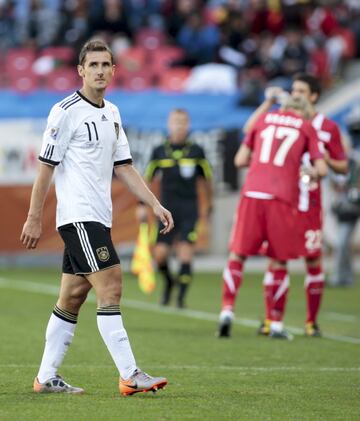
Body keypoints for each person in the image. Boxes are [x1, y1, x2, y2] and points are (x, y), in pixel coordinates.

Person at [20, 39, 174, 396]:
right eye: (93, 65)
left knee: (72, 296)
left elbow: (125, 168)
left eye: (106, 65)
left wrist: (154, 203)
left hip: (97, 217)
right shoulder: (65, 111)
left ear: (114, 70)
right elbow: (45, 169)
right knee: (112, 285)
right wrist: (32, 217)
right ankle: (130, 375)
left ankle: (45, 378)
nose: (100, 71)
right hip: (78, 216)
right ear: (80, 70)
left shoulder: (113, 113)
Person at [244, 73, 347, 337]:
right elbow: (249, 135)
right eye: (293, 90)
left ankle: (311, 322)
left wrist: (321, 159)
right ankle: (271, 320)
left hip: (310, 205)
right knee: (276, 260)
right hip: (282, 202)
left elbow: (343, 164)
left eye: (301, 91)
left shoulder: (328, 127)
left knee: (314, 259)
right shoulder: (281, 120)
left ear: (313, 96)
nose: (295, 95)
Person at [217, 95, 327, 340]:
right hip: (281, 196)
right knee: (278, 260)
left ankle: (227, 310)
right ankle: (276, 324)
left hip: (252, 192)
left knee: (238, 254)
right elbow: (321, 169)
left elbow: (239, 160)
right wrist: (308, 170)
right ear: (302, 112)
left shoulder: (264, 119)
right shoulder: (306, 126)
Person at [137, 109, 213, 309]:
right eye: (175, 122)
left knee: (185, 253)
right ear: (169, 124)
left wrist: (209, 205)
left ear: (188, 125)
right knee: (160, 254)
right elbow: (147, 180)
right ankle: (169, 282)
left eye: (183, 122)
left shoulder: (197, 150)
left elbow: (206, 180)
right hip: (166, 210)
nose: (179, 126)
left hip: (189, 209)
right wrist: (142, 206)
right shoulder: (159, 151)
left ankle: (181, 298)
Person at [330, 105, 360, 287]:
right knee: (342, 241)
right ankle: (342, 277)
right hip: (349, 203)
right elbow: (336, 182)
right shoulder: (345, 156)